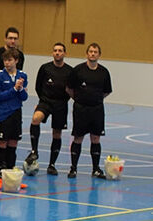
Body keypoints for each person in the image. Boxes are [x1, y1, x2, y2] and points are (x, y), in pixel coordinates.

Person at [24, 43, 73, 175]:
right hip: (45, 101)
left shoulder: (70, 71)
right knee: (35, 118)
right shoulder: (45, 68)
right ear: (52, 53)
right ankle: (34, 151)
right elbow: (38, 86)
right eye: (55, 50)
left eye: (60, 51)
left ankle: (52, 165)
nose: (57, 53)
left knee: (57, 133)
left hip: (61, 104)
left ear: (65, 54)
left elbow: (71, 89)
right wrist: (42, 99)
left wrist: (64, 100)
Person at [66, 43, 112, 179]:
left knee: (95, 138)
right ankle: (73, 168)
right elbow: (69, 89)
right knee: (78, 138)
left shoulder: (104, 72)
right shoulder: (78, 70)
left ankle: (96, 169)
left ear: (99, 55)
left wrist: (95, 99)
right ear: (87, 54)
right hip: (81, 109)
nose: (93, 54)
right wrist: (81, 99)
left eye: (95, 52)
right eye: (90, 51)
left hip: (97, 109)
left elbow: (106, 91)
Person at [0, 27, 25, 172]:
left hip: (13, 99)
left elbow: (19, 76)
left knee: (12, 135)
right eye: (10, 38)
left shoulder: (20, 55)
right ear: (5, 39)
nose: (12, 41)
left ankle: (9, 167)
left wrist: (20, 89)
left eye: (15, 38)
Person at [0, 48, 28, 190]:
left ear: (16, 61)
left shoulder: (22, 75)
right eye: (5, 60)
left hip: (16, 113)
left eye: (10, 60)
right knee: (2, 144)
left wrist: (19, 89)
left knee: (13, 144)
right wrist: (14, 89)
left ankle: (11, 177)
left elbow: (24, 98)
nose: (7, 63)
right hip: (3, 114)